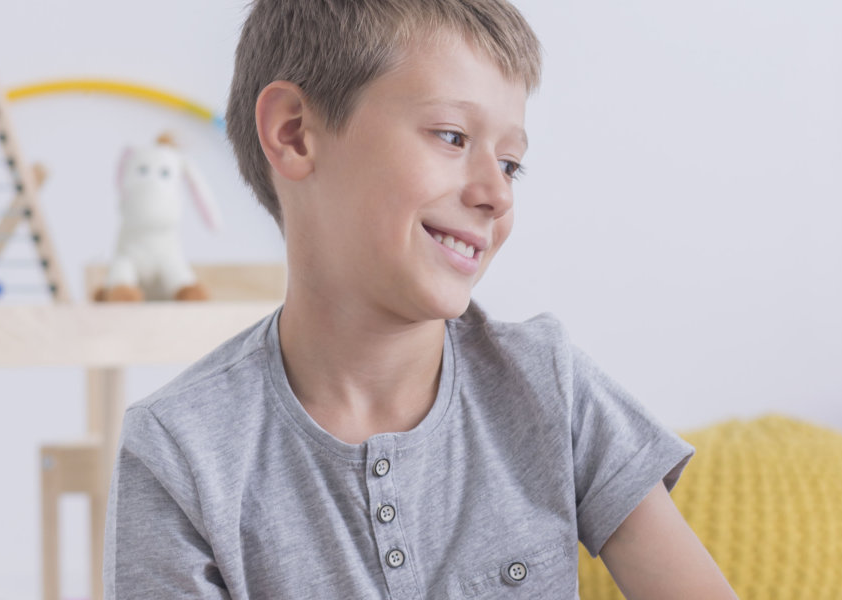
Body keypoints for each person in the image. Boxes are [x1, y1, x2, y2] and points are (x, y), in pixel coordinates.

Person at [106, 1, 736, 597]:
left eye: (511, 164)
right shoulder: (178, 451)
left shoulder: (551, 385)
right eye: (452, 137)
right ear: (294, 134)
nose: (498, 193)